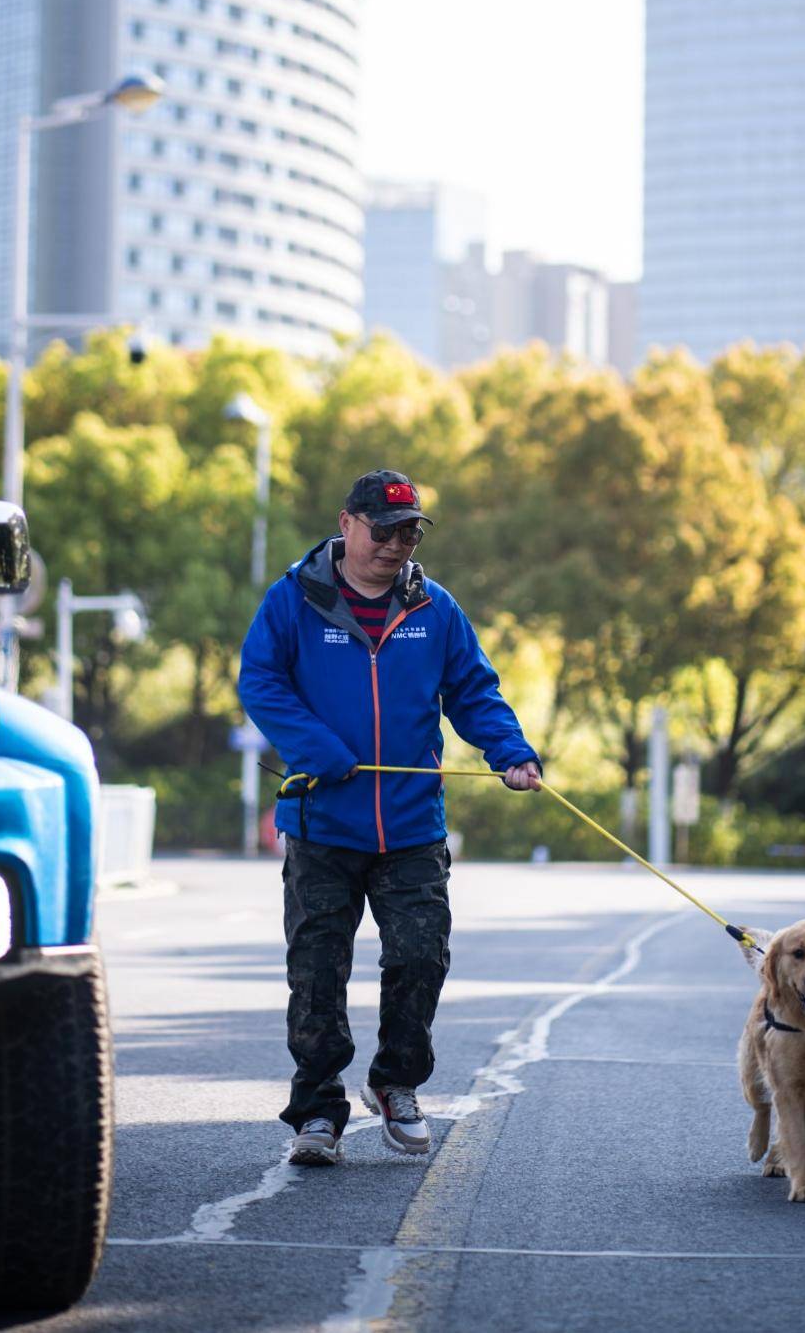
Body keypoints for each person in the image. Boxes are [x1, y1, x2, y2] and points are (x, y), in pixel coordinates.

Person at [238, 468, 541, 1167]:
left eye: (408, 532)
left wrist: (510, 752)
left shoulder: (434, 609)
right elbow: (260, 681)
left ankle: (395, 1081)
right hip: (321, 825)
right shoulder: (292, 602)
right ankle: (317, 1111)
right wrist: (318, 749)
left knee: (418, 958)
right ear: (347, 524)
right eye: (383, 530)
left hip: (411, 829)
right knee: (317, 977)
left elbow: (473, 691)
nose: (395, 545)